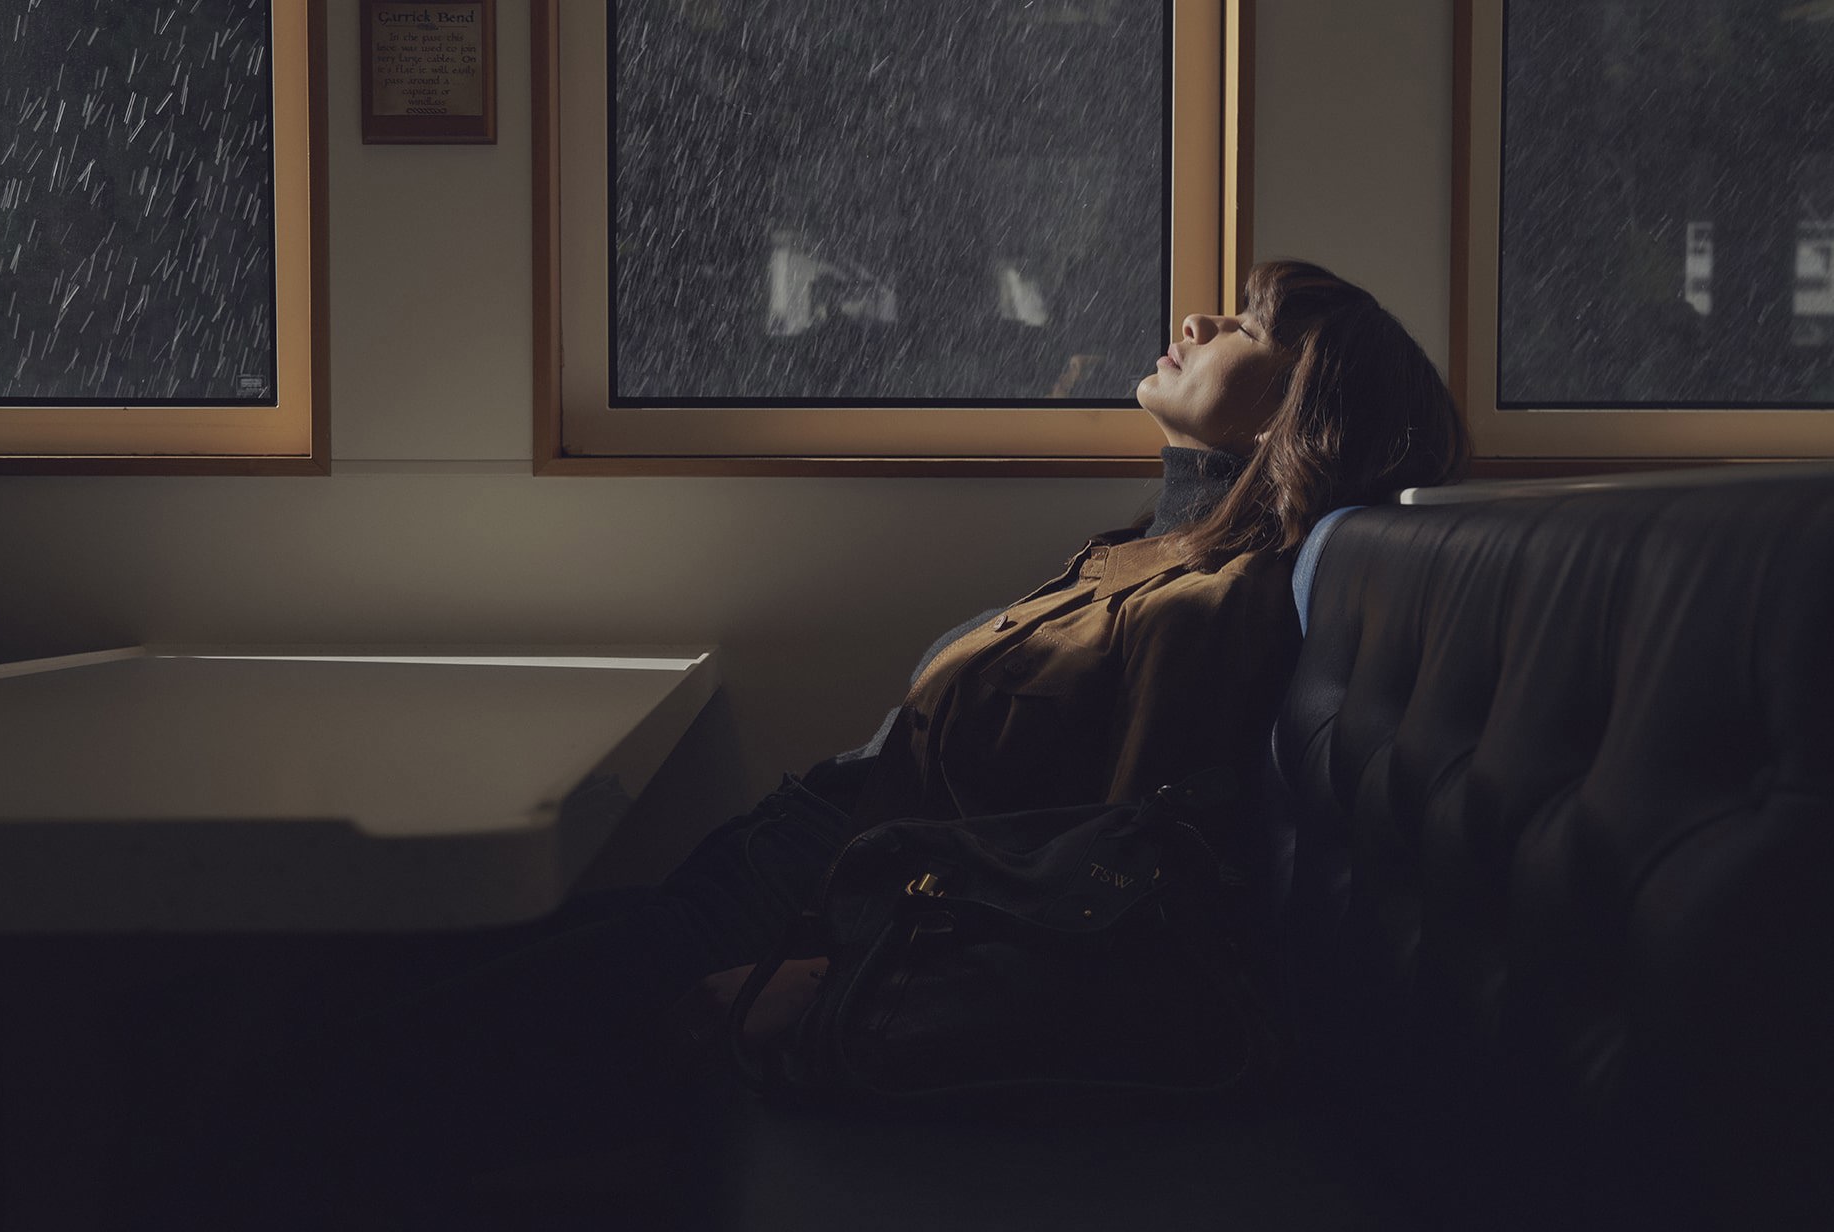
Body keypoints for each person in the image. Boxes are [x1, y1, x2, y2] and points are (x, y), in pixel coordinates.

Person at [139, 260, 1468, 1228]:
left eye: (1243, 319)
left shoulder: (1213, 615)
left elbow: (1110, 887)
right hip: (767, 881)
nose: (1197, 317)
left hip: (806, 923)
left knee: (308, 1088)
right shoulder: (1151, 555)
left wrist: (821, 986)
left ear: (1304, 396)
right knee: (319, 1009)